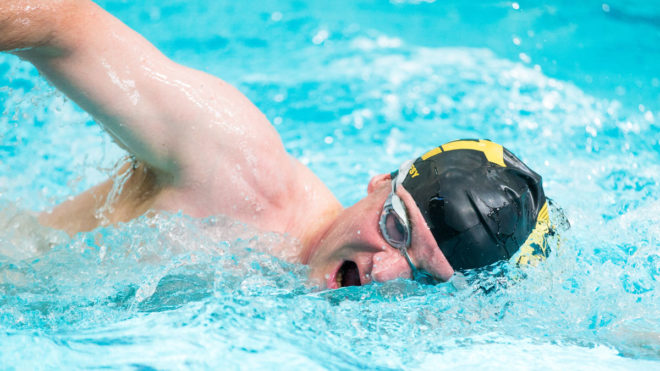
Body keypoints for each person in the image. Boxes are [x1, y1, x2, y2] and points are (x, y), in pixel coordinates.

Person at [0, 0, 548, 289]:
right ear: (380, 182)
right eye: (395, 227)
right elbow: (62, 24)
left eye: (425, 276)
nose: (385, 272)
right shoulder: (234, 166)